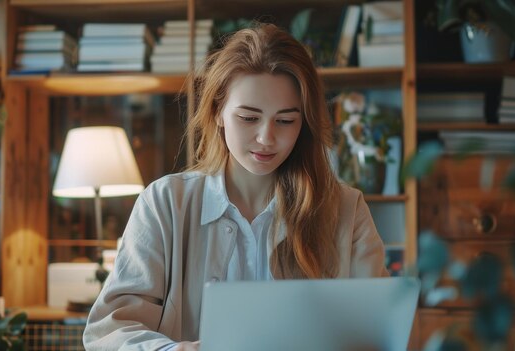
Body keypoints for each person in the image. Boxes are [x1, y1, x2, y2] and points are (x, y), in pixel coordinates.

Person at [83, 23, 388, 351]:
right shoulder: (164, 203)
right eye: (248, 118)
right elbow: (109, 331)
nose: (266, 138)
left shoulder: (345, 209)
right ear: (217, 112)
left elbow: (380, 329)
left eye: (285, 121)